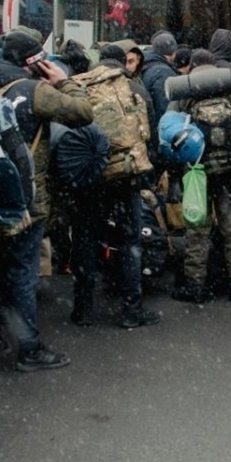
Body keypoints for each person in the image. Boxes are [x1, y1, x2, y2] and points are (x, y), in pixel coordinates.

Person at [0, 31, 93, 371]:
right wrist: (65, 82)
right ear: (33, 62)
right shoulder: (33, 90)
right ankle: (29, 349)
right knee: (23, 274)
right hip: (25, 198)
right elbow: (82, 112)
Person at [70, 43, 162, 329]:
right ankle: (130, 309)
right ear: (125, 62)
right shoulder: (135, 88)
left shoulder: (82, 85)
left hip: (91, 177)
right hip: (125, 177)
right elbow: (150, 135)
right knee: (130, 241)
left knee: (85, 241)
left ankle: (82, 309)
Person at [169, 49, 231, 304]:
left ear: (192, 67)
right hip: (230, 173)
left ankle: (196, 286)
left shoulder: (184, 93)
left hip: (198, 173)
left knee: (197, 230)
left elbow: (170, 136)